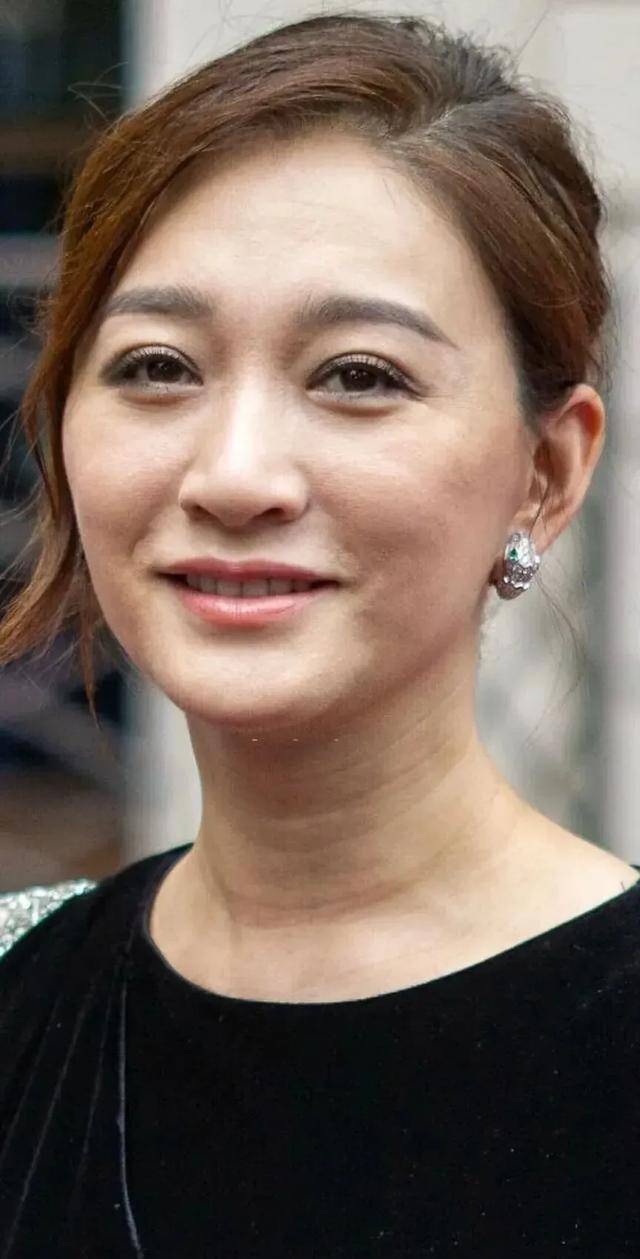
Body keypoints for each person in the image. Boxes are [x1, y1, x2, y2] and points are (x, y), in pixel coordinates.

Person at [1, 10, 639, 1256]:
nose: (235, 475)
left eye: (358, 375)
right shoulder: (23, 994)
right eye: (157, 367)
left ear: (547, 473)